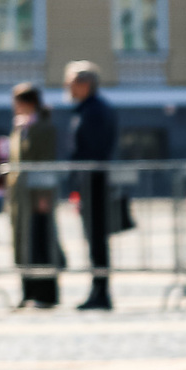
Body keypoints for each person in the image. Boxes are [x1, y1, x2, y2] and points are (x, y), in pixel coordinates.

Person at [62, 63, 120, 310]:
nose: (68, 88)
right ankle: (98, 289)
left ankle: (101, 292)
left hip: (95, 180)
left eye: (71, 83)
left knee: (96, 238)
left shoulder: (94, 110)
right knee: (94, 239)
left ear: (85, 84)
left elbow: (92, 149)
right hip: (90, 180)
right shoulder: (88, 108)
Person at [6, 83, 62, 309]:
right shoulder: (22, 126)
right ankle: (28, 291)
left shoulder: (43, 127)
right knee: (23, 242)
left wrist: (43, 195)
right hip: (21, 195)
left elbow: (44, 161)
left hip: (37, 193)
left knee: (40, 241)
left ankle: (46, 293)